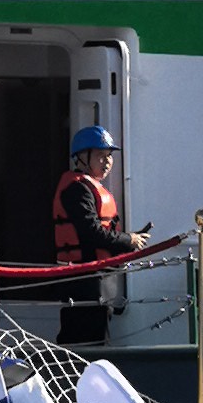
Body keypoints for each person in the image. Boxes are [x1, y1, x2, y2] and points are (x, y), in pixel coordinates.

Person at [54, 122, 137, 351]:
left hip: (97, 278)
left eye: (109, 156)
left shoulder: (89, 187)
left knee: (97, 337)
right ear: (81, 158)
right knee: (83, 339)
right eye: (100, 156)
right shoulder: (77, 189)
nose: (107, 162)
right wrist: (128, 240)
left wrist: (130, 240)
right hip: (84, 280)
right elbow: (91, 233)